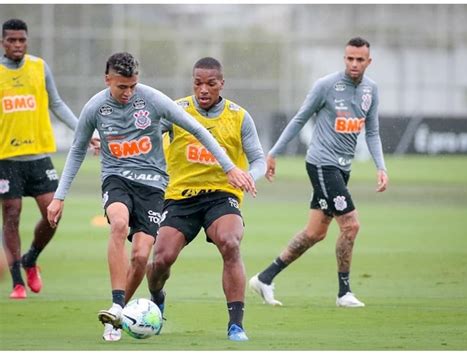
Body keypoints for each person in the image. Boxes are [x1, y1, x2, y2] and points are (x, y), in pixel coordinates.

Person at [46, 52, 256, 342]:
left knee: (148, 255)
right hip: (133, 183)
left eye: (133, 86)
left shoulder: (155, 100)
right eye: (122, 87)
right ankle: (119, 307)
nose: (128, 92)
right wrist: (60, 196)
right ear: (107, 80)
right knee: (129, 233)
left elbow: (197, 129)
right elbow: (78, 149)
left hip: (163, 188)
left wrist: (231, 168)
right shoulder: (95, 107)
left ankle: (234, 324)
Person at [249, 37, 389, 308]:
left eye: (360, 60)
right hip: (323, 165)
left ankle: (264, 279)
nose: (354, 64)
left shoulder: (371, 90)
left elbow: (371, 131)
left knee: (315, 232)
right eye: (349, 58)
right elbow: (299, 119)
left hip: (342, 168)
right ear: (344, 58)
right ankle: (344, 293)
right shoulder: (326, 86)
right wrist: (273, 153)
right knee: (351, 225)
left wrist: (380, 166)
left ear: (368, 62)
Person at [145, 57, 265, 342]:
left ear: (222, 84)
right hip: (179, 197)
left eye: (211, 84)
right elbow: (144, 135)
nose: (203, 90)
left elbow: (258, 159)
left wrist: (249, 176)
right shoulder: (175, 111)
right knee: (161, 259)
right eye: (198, 83)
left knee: (231, 242)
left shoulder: (239, 116)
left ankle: (236, 325)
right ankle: (156, 298)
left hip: (221, 197)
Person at [0, 18, 97, 300]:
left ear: (26, 41)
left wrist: (84, 129)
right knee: (12, 213)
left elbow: (56, 103)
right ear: (3, 42)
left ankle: (31, 259)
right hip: (6, 157)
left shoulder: (39, 67)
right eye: (11, 40)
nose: (17, 45)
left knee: (53, 213)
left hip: (39, 155)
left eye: (21, 40)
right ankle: (17, 281)